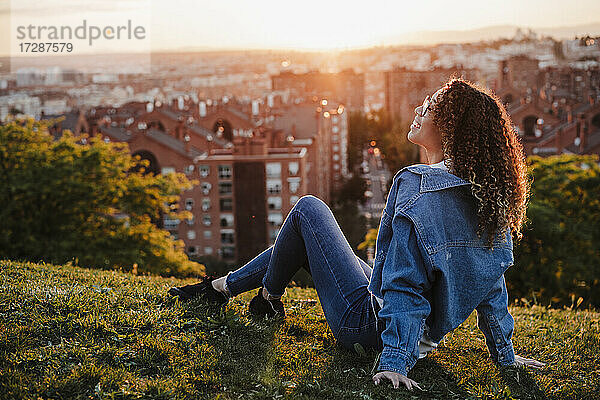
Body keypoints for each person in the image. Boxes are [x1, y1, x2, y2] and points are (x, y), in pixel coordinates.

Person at [168, 78, 546, 391]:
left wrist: (395, 361)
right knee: (312, 235)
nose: (417, 111)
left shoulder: (418, 187)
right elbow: (491, 286)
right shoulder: (490, 197)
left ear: (450, 128)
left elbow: (405, 284)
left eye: (428, 107)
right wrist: (505, 354)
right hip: (412, 333)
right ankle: (222, 290)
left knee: (308, 209)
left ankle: (268, 294)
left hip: (367, 327)